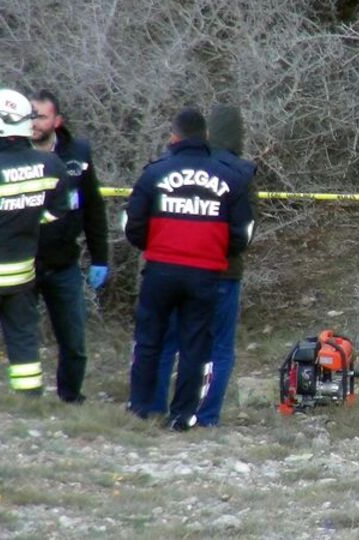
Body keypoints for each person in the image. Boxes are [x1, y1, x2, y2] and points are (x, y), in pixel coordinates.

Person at [124, 107, 254, 431]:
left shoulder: (155, 172)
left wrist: (153, 247)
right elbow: (242, 233)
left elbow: (133, 223)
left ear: (174, 136)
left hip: (160, 269)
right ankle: (183, 416)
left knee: (150, 341)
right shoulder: (231, 177)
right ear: (205, 136)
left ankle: (141, 408)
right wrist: (214, 251)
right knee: (196, 346)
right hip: (205, 273)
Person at [0, 88, 69, 395]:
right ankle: (30, 396)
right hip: (22, 275)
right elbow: (58, 211)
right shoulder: (51, 165)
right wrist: (25, 222)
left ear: (0, 127)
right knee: (23, 337)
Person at [30, 89, 110, 404]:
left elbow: (94, 208)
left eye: (40, 117)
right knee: (23, 337)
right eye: (29, 116)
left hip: (63, 263)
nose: (33, 123)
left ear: (57, 120)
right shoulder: (12, 153)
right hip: (23, 261)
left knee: (74, 339)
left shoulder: (78, 154)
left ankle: (71, 396)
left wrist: (100, 258)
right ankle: (27, 397)